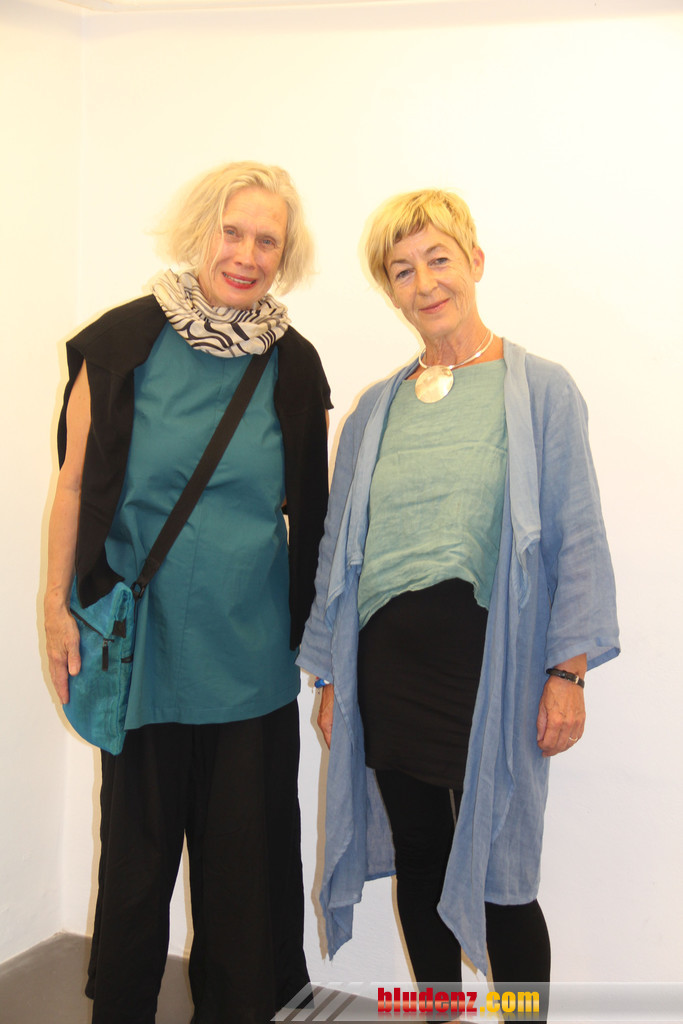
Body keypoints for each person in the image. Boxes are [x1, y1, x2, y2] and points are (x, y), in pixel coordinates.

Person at [298, 189, 619, 1019]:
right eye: (402, 270)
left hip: (492, 667)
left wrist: (568, 673)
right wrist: (330, 676)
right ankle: (438, 1014)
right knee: (420, 855)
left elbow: (577, 535)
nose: (424, 282)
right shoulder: (374, 409)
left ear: (474, 262)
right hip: (386, 671)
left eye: (437, 259)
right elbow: (337, 548)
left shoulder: (539, 389)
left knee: (503, 878)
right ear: (390, 290)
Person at [43, 161, 331, 1024]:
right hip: (143, 653)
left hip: (249, 662)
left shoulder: (293, 366)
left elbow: (313, 519)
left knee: (244, 878)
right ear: (200, 231)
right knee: (135, 871)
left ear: (284, 256)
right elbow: (73, 485)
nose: (245, 255)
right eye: (231, 232)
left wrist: (327, 657)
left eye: (267, 241)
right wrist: (55, 610)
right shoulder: (122, 343)